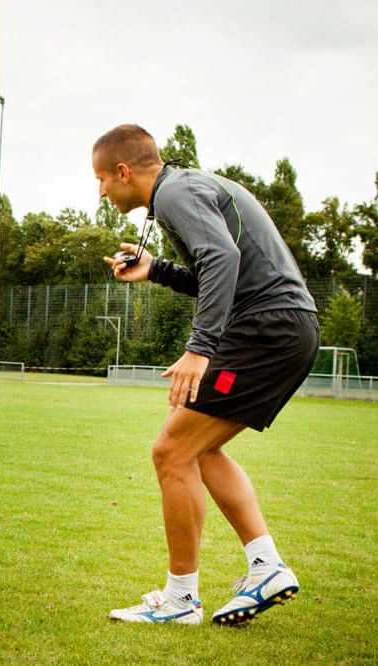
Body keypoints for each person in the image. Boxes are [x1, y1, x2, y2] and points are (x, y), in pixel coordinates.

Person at [92, 124, 318, 625]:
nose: (101, 190)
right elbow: (222, 269)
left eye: (103, 179)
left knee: (170, 450)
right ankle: (264, 566)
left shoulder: (174, 193)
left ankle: (181, 601)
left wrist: (199, 349)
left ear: (124, 172)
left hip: (266, 328)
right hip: (284, 326)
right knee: (198, 447)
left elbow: (222, 257)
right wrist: (158, 270)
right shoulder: (187, 187)